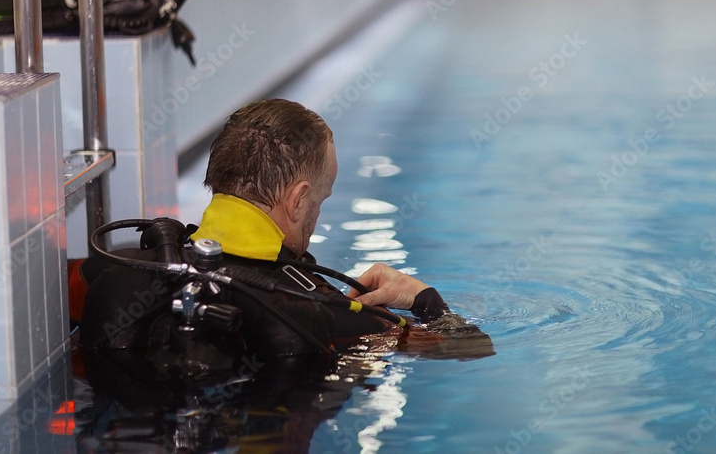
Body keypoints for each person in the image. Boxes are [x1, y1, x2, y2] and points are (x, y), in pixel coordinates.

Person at [72, 98, 452, 360]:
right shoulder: (329, 314)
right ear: (298, 200)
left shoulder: (114, 268)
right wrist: (426, 301)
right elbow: (464, 349)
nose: (316, 213)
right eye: (320, 201)